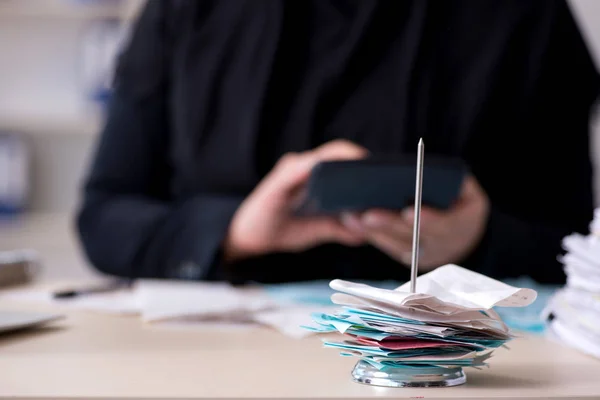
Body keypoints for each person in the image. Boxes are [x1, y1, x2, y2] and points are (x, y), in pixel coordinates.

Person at [75, 0, 600, 285]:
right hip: (211, 362)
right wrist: (236, 232)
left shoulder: (525, 16)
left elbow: (578, 243)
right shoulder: (188, 11)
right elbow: (103, 217)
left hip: (440, 369)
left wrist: (478, 238)